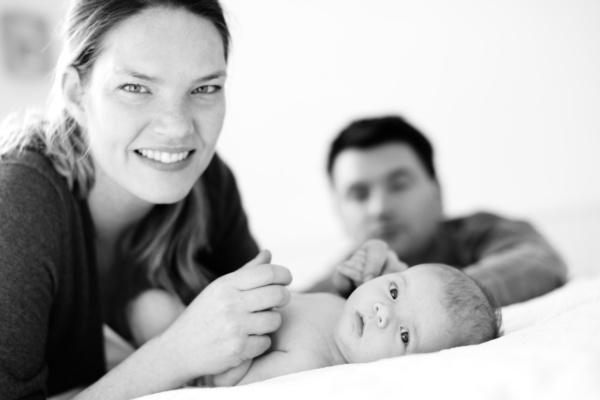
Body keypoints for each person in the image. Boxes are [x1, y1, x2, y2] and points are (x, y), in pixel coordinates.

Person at [0, 1, 293, 399]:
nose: (177, 127)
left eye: (205, 88)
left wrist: (345, 293)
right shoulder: (18, 203)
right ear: (75, 93)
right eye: (136, 87)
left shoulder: (208, 182)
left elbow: (265, 333)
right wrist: (175, 355)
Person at [128, 240, 502, 386]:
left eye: (405, 335)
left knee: (150, 308)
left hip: (201, 357)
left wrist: (244, 338)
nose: (381, 311)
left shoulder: (310, 364)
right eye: (392, 290)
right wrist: (347, 279)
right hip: (209, 313)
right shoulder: (345, 308)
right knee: (149, 297)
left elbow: (227, 386)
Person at [309, 115, 568, 306]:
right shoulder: (337, 283)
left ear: (437, 193)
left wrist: (421, 295)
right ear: (339, 213)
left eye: (399, 185)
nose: (380, 208)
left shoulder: (482, 231)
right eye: (359, 195)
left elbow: (538, 262)